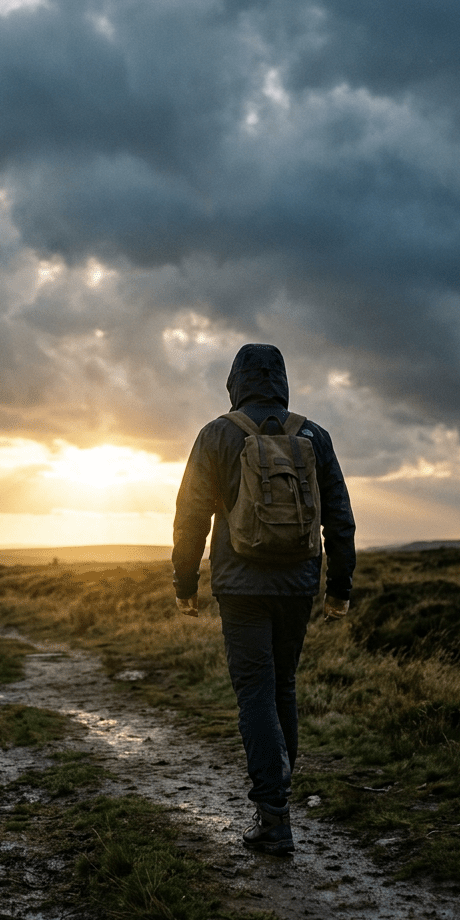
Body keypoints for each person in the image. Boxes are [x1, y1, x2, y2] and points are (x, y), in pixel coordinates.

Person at [172, 343, 356, 854]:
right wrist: (339, 589)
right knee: (283, 689)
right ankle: (277, 803)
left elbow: (191, 517)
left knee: (255, 692)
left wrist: (185, 584)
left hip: (240, 587)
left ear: (235, 382)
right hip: (298, 585)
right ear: (282, 381)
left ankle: (273, 815)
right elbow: (339, 517)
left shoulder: (216, 434)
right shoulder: (314, 435)